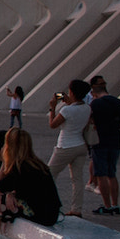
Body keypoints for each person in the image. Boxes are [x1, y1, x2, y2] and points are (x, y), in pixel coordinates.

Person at [46, 79, 91, 216]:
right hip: (80, 145)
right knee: (77, 179)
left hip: (65, 146)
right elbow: (77, 111)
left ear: (71, 92)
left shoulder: (66, 110)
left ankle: (51, 206)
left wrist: (52, 107)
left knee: (49, 176)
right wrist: (70, 102)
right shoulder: (87, 108)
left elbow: (53, 124)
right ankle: (76, 209)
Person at [87, 78, 120, 215]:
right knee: (112, 174)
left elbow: (89, 121)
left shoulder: (95, 104)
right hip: (115, 141)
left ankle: (107, 206)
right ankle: (115, 204)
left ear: (93, 92)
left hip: (99, 141)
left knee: (101, 174)